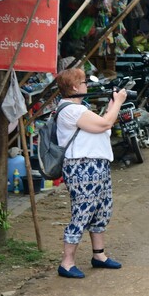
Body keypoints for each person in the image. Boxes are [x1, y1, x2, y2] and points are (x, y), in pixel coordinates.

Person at [55, 67, 127, 279]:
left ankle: (99, 255)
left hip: (98, 165)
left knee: (102, 210)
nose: (87, 85)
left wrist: (113, 104)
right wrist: (119, 103)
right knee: (82, 212)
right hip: (82, 166)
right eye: (84, 82)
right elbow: (105, 123)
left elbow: (103, 124)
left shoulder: (81, 108)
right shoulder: (70, 110)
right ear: (75, 87)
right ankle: (67, 263)